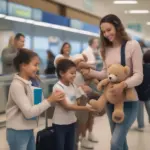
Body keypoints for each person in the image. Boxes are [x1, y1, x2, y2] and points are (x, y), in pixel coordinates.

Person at [82, 14, 143, 150]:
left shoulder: (132, 46)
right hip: (110, 102)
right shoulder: (105, 50)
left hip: (129, 102)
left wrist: (123, 85)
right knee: (121, 143)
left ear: (117, 26)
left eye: (109, 29)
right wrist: (90, 73)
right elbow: (106, 73)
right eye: (103, 32)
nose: (106, 34)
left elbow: (139, 75)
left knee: (115, 143)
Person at [6, 48, 65, 150]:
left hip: (28, 129)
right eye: (35, 65)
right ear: (23, 65)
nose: (37, 68)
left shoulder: (30, 83)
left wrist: (38, 85)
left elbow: (38, 105)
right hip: (17, 131)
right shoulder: (17, 85)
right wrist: (50, 100)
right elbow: (29, 112)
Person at [52, 59, 96, 150]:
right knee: (60, 147)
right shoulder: (58, 87)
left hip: (72, 122)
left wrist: (86, 101)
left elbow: (78, 100)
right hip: (60, 124)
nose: (74, 75)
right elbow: (67, 106)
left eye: (75, 73)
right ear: (61, 73)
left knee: (71, 146)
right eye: (71, 73)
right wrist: (85, 108)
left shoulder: (73, 85)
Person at [136, 50, 150, 131]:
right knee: (149, 107)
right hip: (148, 92)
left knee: (139, 110)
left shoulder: (141, 68)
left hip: (139, 92)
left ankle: (141, 126)